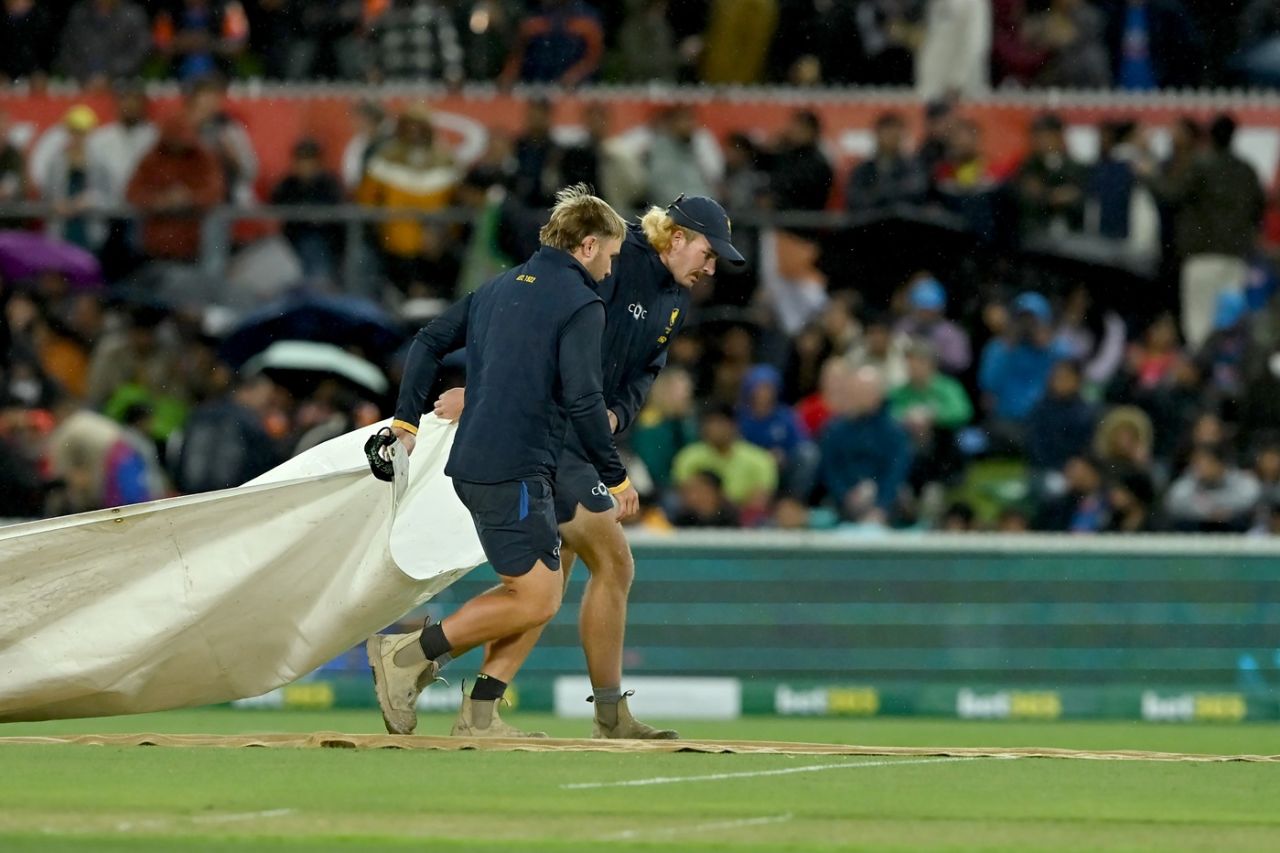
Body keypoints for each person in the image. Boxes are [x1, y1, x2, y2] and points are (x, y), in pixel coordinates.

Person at [437, 193, 748, 737]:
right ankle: (607, 714)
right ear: (676, 238)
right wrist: (485, 389)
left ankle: (480, 707)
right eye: (707, 250)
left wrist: (615, 413)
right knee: (613, 561)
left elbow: (645, 372)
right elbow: (525, 312)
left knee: (552, 584)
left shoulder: (674, 297)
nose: (711, 265)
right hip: (547, 429)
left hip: (579, 433)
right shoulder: (609, 252)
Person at [367, 185, 638, 739]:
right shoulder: (581, 302)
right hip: (515, 466)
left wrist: (405, 420)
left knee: (535, 593)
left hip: (483, 463)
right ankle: (405, 656)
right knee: (537, 596)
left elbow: (427, 342)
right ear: (587, 246)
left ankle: (477, 714)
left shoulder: (498, 287)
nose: (610, 271)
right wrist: (615, 475)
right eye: (609, 256)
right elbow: (585, 399)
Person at [820, 365, 912, 525]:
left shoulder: (894, 432)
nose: (861, 396)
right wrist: (845, 496)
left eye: (867, 391)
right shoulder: (834, 429)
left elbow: (895, 472)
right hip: (845, 500)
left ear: (879, 394)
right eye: (857, 391)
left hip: (884, 502)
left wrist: (880, 507)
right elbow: (830, 468)